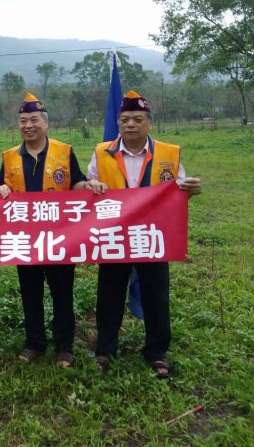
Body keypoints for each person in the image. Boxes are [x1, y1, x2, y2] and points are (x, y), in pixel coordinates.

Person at [86, 90, 202, 378]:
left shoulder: (168, 154)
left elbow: (177, 192)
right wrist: (91, 187)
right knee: (109, 294)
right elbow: (89, 186)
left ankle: (156, 352)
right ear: (118, 123)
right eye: (125, 119)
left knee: (156, 294)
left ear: (150, 123)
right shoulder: (102, 153)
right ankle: (105, 350)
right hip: (114, 237)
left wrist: (191, 191)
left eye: (138, 119)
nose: (130, 124)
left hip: (153, 236)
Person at [0, 93, 105, 367]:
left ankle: (64, 347)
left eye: (34, 120)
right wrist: (2, 187)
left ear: (46, 123)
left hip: (60, 237)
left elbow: (76, 182)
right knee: (30, 292)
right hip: (25, 238)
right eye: (23, 121)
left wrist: (88, 186)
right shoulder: (9, 157)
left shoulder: (63, 151)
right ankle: (34, 343)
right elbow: (1, 186)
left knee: (62, 293)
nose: (28, 125)